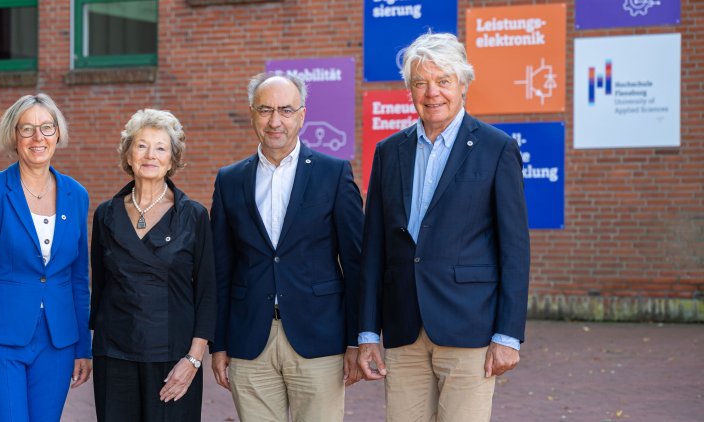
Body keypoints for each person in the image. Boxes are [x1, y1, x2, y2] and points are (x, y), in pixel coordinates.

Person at [357, 32, 531, 422]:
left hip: (469, 327)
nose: (432, 92)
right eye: (420, 82)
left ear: (464, 84)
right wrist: (368, 332)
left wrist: (507, 335)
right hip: (403, 327)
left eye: (443, 81)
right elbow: (373, 250)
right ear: (409, 90)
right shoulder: (389, 152)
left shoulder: (496, 148)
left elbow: (514, 249)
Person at [210, 73, 364, 421]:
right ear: (252, 113)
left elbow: (357, 263)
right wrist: (218, 343)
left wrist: (357, 339)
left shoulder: (334, 174)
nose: (275, 121)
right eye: (265, 110)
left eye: (285, 110)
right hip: (249, 340)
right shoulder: (230, 180)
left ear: (302, 114)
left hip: (320, 337)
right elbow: (221, 268)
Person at [0, 94, 92, 421]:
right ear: (13, 136)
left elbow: (79, 278)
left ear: (57, 134)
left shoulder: (76, 195)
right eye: (27, 129)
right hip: (2, 341)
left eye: (47, 128)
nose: (38, 138)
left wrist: (82, 348)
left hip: (58, 341)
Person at [90, 109, 216, 421]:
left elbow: (208, 292)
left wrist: (193, 359)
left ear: (173, 160)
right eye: (142, 146)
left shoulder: (193, 216)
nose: (150, 155)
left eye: (160, 148)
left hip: (173, 357)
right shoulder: (105, 215)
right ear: (128, 155)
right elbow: (100, 289)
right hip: (115, 355)